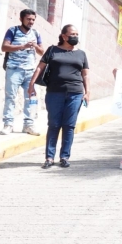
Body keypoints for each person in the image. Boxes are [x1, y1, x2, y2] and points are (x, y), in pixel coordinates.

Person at [29, 25, 90, 169]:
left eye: (76, 34)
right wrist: (31, 84)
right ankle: (49, 157)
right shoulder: (52, 50)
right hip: (55, 92)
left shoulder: (81, 54)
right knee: (54, 124)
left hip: (75, 93)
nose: (75, 36)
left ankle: (64, 156)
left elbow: (85, 74)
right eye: (72, 34)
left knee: (69, 126)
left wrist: (88, 92)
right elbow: (40, 66)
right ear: (63, 36)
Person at [0, 9, 45, 136]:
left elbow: (42, 52)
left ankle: (28, 125)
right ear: (21, 19)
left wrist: (35, 46)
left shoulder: (36, 33)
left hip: (30, 71)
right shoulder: (12, 30)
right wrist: (23, 46)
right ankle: (8, 124)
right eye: (28, 19)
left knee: (31, 98)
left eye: (33, 20)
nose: (31, 22)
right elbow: (4, 47)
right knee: (10, 97)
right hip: (14, 70)